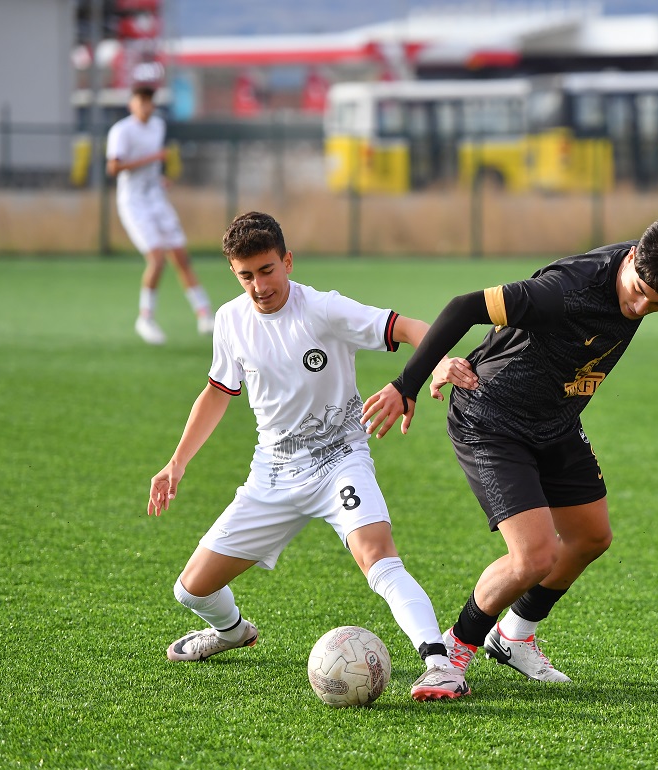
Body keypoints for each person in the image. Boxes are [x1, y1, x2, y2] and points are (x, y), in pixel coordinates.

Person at [362, 217, 658, 686]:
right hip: (492, 419)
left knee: (592, 538)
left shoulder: (653, 263)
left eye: (655, 304)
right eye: (638, 290)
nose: (638, 306)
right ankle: (455, 650)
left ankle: (514, 637)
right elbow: (463, 307)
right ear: (633, 260)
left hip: (555, 420)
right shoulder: (562, 292)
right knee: (534, 558)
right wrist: (405, 384)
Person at [148, 211, 470, 701]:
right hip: (271, 475)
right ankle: (233, 631)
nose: (259, 286)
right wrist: (177, 462)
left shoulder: (323, 309)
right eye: (246, 275)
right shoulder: (230, 321)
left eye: (267, 270)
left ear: (288, 262)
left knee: (378, 558)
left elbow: (408, 327)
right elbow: (217, 392)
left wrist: (439, 361)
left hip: (339, 458)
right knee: (190, 590)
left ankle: (438, 663)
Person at [107, 85, 213, 345]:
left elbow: (152, 167)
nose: (146, 106)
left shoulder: (157, 126)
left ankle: (204, 314)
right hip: (133, 203)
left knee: (180, 255)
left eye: (149, 101)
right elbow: (114, 167)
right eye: (140, 101)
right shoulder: (122, 131)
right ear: (131, 104)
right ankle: (145, 319)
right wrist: (153, 158)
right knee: (157, 259)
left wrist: (160, 177)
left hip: (156, 198)